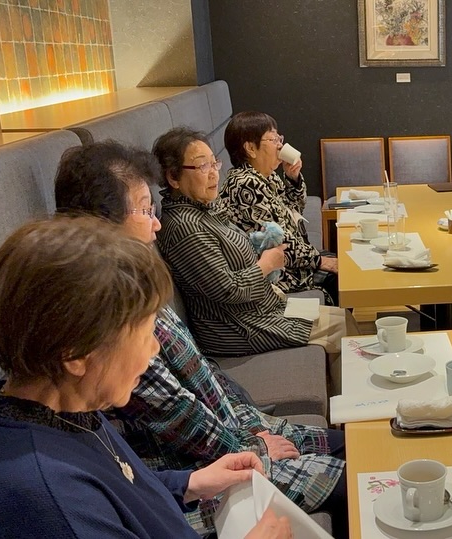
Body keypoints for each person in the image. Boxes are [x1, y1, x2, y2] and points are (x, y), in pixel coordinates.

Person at [54, 141, 347, 537]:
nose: (155, 223)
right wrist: (251, 447)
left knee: (352, 445)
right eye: (145, 210)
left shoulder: (136, 283)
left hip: (215, 451)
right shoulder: (107, 317)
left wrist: (247, 434)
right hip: (205, 461)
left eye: (214, 163)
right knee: (358, 477)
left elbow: (200, 381)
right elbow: (176, 414)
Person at [0, 216, 292, 538]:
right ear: (76, 355)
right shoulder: (49, 493)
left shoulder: (62, 405)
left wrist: (190, 483)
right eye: (145, 334)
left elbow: (122, 492)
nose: (154, 349)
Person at [151, 127, 355, 375]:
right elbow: (228, 289)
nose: (214, 173)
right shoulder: (186, 227)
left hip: (260, 307)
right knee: (344, 329)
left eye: (214, 163)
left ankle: (343, 391)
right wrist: (267, 264)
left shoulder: (203, 209)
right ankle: (353, 395)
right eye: (203, 166)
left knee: (344, 319)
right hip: (239, 327)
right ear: (173, 177)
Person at [220, 111, 339, 304]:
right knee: (340, 276)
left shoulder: (266, 175)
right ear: (250, 148)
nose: (280, 145)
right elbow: (280, 240)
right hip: (279, 272)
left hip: (292, 258)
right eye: (273, 139)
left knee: (344, 264)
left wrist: (293, 178)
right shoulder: (244, 184)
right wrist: (321, 261)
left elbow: (294, 211)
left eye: (279, 138)